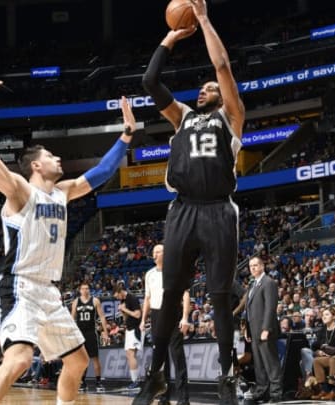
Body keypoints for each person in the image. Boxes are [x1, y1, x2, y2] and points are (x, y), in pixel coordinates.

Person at [0, 59, 137, 405]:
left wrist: (126, 135)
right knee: (19, 360)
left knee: (76, 361)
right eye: (51, 155)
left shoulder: (64, 192)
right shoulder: (18, 190)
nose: (58, 159)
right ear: (35, 165)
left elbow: (103, 172)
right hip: (20, 286)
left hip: (50, 292)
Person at [135, 0, 246, 403]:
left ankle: (226, 376)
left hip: (218, 208)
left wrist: (201, 19)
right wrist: (171, 37)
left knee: (218, 295)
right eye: (201, 90)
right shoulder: (181, 116)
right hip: (182, 210)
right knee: (169, 291)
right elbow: (150, 81)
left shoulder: (231, 118)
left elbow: (223, 68)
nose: (204, 91)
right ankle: (155, 374)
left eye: (209, 90)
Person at [141, 244, 190, 405]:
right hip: (156, 316)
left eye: (158, 251)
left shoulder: (175, 271)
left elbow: (185, 294)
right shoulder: (149, 274)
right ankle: (164, 396)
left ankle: (183, 399)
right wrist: (143, 320)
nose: (154, 254)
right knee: (161, 360)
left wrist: (184, 318)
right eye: (153, 251)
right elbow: (147, 299)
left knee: (177, 357)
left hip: (173, 313)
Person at [244, 256, 282, 402]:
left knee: (271, 362)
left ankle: (276, 393)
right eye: (250, 266)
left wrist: (266, 328)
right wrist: (246, 328)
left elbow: (270, 308)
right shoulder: (252, 285)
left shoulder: (269, 282)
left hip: (265, 330)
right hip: (253, 330)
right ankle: (262, 391)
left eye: (255, 265)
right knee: (259, 363)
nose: (252, 268)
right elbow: (248, 310)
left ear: (262, 266)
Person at [70, 281, 110, 393]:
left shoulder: (95, 300)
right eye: (83, 288)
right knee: (82, 360)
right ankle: (82, 382)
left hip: (91, 333)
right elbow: (72, 319)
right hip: (79, 334)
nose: (85, 290)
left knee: (95, 358)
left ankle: (98, 382)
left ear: (89, 289)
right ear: (80, 290)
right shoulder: (75, 302)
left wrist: (105, 332)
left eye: (87, 288)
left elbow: (102, 317)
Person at [112, 283, 143, 391]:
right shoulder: (123, 301)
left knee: (131, 354)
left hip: (136, 329)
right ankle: (135, 380)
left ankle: (136, 382)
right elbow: (127, 318)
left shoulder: (132, 298)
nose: (117, 298)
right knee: (129, 355)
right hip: (129, 329)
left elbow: (138, 314)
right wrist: (122, 312)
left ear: (120, 292)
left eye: (117, 296)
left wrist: (124, 309)